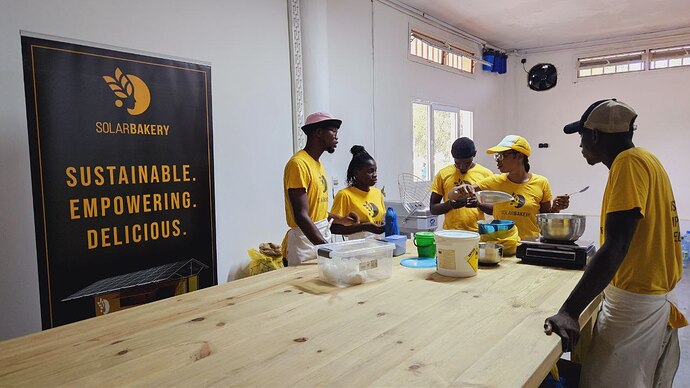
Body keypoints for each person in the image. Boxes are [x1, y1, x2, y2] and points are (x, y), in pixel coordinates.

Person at [544, 99, 688, 387]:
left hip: (634, 306)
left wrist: (569, 311)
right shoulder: (647, 159)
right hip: (649, 297)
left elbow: (617, 244)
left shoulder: (628, 164)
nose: (580, 144)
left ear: (595, 135)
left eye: (582, 135)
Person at [450, 135, 570, 240]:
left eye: (502, 156)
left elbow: (545, 220)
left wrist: (555, 208)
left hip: (528, 244)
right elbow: (452, 195)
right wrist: (463, 188)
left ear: (519, 156)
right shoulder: (495, 181)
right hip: (502, 244)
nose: (497, 160)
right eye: (497, 156)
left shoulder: (541, 183)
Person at [282, 112, 358, 266]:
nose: (337, 137)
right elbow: (301, 216)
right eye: (333, 131)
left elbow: (317, 213)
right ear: (318, 132)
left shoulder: (318, 165)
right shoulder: (298, 164)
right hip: (305, 243)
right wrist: (326, 248)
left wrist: (341, 220)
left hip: (318, 238)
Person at [429, 137, 493, 232]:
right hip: (450, 233)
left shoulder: (486, 175)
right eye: (457, 163)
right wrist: (450, 205)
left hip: (476, 233)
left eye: (467, 163)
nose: (462, 167)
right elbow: (433, 208)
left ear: (474, 154)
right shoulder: (443, 174)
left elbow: (494, 209)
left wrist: (478, 204)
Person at [330, 145, 386, 239]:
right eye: (370, 171)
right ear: (356, 172)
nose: (375, 175)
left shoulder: (377, 193)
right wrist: (363, 227)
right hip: (356, 247)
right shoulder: (344, 195)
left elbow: (379, 219)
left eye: (375, 171)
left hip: (378, 245)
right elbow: (332, 227)